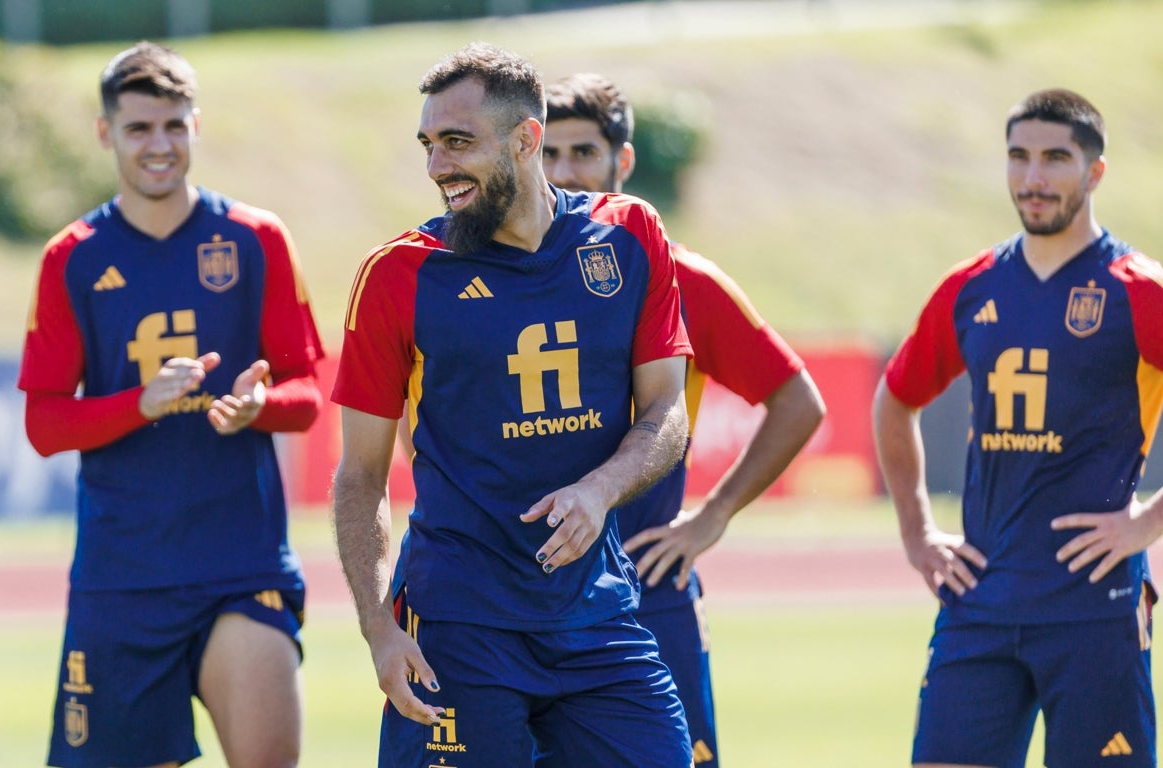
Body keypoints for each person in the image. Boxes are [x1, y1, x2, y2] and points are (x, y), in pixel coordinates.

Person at [330, 42, 694, 767]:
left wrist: (600, 490)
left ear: (526, 140)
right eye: (429, 145)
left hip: (595, 615)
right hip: (456, 627)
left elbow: (667, 412)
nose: (437, 167)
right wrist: (377, 627)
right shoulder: (397, 274)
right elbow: (360, 476)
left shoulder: (629, 235)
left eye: (457, 143)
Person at [17, 41, 324, 768]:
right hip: (121, 577)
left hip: (240, 565)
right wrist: (140, 404)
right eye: (139, 128)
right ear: (106, 133)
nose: (159, 145)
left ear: (196, 125)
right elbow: (44, 425)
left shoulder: (255, 237)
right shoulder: (72, 256)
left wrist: (259, 407)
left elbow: (309, 398)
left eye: (174, 126)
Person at [541, 72, 826, 767]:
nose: (564, 173)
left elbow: (798, 401)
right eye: (548, 153)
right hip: (529, 593)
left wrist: (713, 515)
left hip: (647, 588)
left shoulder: (682, 278)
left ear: (623, 160)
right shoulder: (503, 279)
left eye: (583, 152)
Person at [873, 88, 1163, 768]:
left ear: (1094, 172)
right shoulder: (971, 286)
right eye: (1019, 157)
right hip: (980, 601)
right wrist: (917, 534)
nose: (1033, 178)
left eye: (1056, 159)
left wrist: (1148, 523)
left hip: (1095, 608)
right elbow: (894, 400)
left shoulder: (1137, 289)